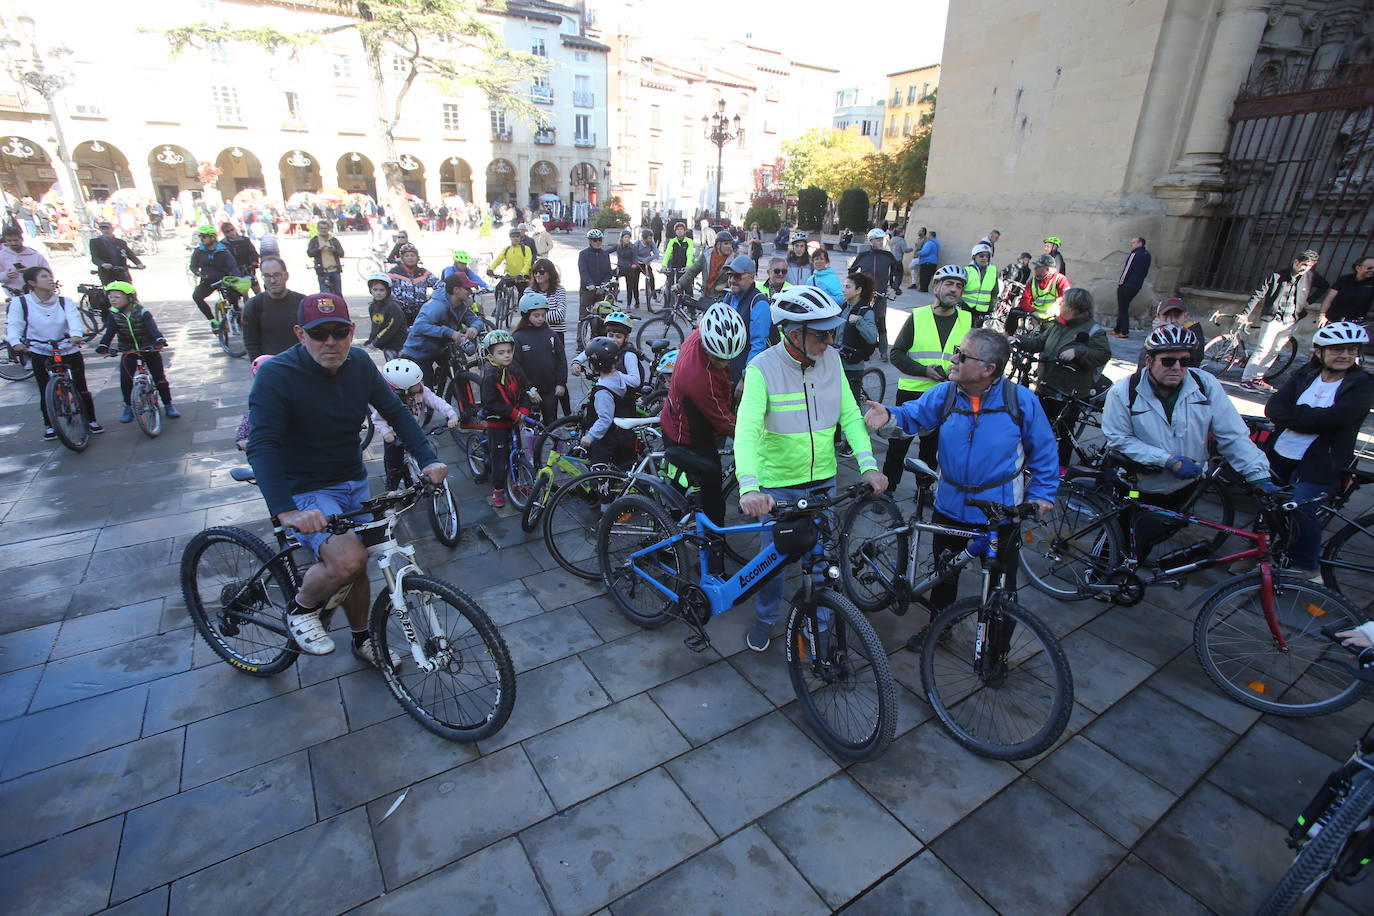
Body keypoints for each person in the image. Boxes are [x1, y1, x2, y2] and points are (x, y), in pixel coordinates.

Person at [246, 292, 447, 661]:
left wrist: (428, 459)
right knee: (348, 561)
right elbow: (261, 446)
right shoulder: (277, 375)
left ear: (352, 331)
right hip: (304, 488)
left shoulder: (358, 363)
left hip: (351, 480)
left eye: (339, 332)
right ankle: (302, 607)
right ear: (299, 334)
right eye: (318, 333)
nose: (330, 342)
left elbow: (398, 414)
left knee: (361, 560)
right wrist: (286, 511)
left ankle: (361, 640)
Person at [863, 327, 1057, 647]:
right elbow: (914, 415)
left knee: (1002, 589)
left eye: (962, 355)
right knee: (944, 575)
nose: (953, 359)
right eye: (956, 350)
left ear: (987, 369)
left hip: (1000, 512)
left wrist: (1043, 496)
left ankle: (997, 651)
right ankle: (940, 628)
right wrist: (889, 416)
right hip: (950, 505)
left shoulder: (1020, 402)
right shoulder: (947, 393)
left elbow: (1044, 453)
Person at [736, 285, 887, 651]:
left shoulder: (831, 360)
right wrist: (749, 486)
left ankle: (817, 622)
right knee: (772, 563)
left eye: (832, 332)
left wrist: (868, 466)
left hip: (822, 482)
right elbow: (747, 431)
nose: (831, 342)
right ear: (793, 333)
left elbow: (851, 417)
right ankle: (766, 617)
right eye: (822, 335)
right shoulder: (762, 370)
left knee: (821, 560)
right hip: (778, 487)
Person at [1103, 324, 1276, 561]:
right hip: (1138, 483)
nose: (1177, 368)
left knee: (1155, 534)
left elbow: (1232, 435)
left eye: (1184, 361)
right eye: (1168, 361)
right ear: (1149, 360)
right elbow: (1119, 439)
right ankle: (1097, 576)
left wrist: (1260, 476)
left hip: (1187, 484)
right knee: (1119, 537)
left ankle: (1129, 568)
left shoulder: (1205, 385)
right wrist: (1168, 460)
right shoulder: (1124, 391)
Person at [1264, 322, 1373, 577]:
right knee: (1268, 504)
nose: (1345, 355)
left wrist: (1295, 416)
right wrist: (1309, 418)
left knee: (1302, 507)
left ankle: (1306, 565)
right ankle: (1264, 553)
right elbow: (1274, 408)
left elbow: (1336, 418)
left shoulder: (1362, 384)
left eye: (1351, 350)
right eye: (1337, 350)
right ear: (1318, 352)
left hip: (1321, 460)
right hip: (1282, 451)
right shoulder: (1304, 375)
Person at [885, 265, 973, 488]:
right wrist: (923, 370)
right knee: (898, 446)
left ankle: (923, 490)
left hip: (945, 396)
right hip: (911, 393)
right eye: (949, 284)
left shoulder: (968, 320)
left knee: (930, 449)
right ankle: (888, 489)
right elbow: (895, 354)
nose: (954, 290)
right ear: (936, 287)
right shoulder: (918, 317)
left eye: (959, 286)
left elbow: (973, 358)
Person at [660, 304, 746, 530]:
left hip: (677, 416)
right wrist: (754, 434)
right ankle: (712, 545)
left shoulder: (700, 334)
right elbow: (725, 422)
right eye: (719, 358)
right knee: (712, 495)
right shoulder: (700, 379)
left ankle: (673, 521)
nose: (725, 364)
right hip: (687, 435)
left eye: (730, 358)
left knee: (679, 485)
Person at [1015, 287, 1110, 467]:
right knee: (1037, 425)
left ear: (1074, 308)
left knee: (1063, 429)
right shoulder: (1057, 325)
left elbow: (1102, 354)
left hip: (1069, 391)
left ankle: (1062, 466)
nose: (1060, 304)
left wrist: (1078, 351)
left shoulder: (1093, 331)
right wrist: (1016, 340)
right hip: (1047, 384)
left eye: (1063, 302)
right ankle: (1033, 460)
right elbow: (1038, 343)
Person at [6, 265, 103, 439]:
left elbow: (74, 322)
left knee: (80, 386)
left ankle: (90, 420)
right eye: (44, 277)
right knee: (45, 388)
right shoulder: (20, 303)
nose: (50, 279)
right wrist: (15, 342)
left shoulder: (64, 302)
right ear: (31, 282)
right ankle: (49, 424)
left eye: (50, 276)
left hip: (67, 347)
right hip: (40, 349)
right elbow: (14, 325)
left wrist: (75, 335)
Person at [1241, 250, 1329, 391]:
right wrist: (1245, 314)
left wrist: (1309, 301)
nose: (1305, 268)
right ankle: (1246, 380)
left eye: (1310, 266)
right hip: (1273, 319)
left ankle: (1258, 378)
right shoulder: (1277, 276)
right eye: (1304, 264)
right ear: (1296, 262)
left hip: (1291, 320)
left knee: (1275, 350)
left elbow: (1324, 286)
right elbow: (1258, 294)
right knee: (1262, 349)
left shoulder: (1309, 276)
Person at [94, 280, 178, 422]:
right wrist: (103, 345)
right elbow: (109, 333)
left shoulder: (142, 312)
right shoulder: (113, 314)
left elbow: (153, 329)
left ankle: (168, 405)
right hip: (128, 350)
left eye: (117, 296)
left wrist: (159, 340)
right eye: (110, 297)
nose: (113, 300)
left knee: (160, 379)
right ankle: (128, 406)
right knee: (125, 379)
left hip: (148, 348)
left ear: (130, 298)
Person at [374, 358, 459, 490]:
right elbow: (377, 419)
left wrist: (451, 414)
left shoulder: (422, 391)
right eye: (416, 383)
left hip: (414, 433)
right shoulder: (389, 401)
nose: (421, 383)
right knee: (394, 470)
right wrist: (386, 433)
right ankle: (390, 497)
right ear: (404, 389)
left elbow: (436, 401)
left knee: (424, 458)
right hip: (394, 437)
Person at [402, 272, 485, 390]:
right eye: (467, 288)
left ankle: (465, 405)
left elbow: (475, 320)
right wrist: (449, 332)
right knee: (426, 391)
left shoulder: (461, 305)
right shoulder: (437, 306)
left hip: (441, 348)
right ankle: (430, 405)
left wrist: (474, 327)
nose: (470, 291)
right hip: (419, 351)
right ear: (456, 290)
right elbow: (419, 327)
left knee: (459, 373)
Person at [578, 336, 639, 475]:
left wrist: (590, 436)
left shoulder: (603, 392)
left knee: (600, 476)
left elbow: (605, 419)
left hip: (604, 440)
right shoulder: (617, 376)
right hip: (617, 434)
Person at [511, 291, 567, 425]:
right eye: (536, 315)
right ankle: (534, 447)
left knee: (552, 423)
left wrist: (561, 383)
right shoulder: (518, 337)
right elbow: (516, 367)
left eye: (543, 315)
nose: (541, 318)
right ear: (526, 315)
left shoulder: (551, 334)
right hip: (529, 393)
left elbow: (561, 360)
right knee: (532, 426)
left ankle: (556, 446)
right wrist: (529, 389)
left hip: (550, 389)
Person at [848, 228, 904, 361]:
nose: (880, 242)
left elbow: (898, 272)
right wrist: (857, 284)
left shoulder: (888, 256)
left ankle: (883, 350)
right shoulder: (864, 256)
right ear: (871, 240)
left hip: (881, 295)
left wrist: (894, 288)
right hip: (865, 295)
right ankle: (864, 349)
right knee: (863, 322)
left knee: (881, 323)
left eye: (882, 240)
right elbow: (851, 271)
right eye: (877, 240)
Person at [719, 254, 772, 384]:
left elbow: (758, 345)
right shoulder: (729, 297)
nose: (732, 280)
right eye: (730, 275)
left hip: (743, 371)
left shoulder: (759, 303)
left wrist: (746, 378)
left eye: (737, 276)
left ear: (752, 277)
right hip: (726, 369)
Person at [241, 256, 305, 360]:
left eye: (277, 275)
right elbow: (251, 341)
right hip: (271, 367)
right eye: (267, 276)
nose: (272, 280)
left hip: (301, 365)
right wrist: (258, 367)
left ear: (286, 276)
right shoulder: (254, 305)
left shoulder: (302, 302)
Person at [837, 272, 879, 414]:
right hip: (837, 362)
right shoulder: (843, 308)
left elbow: (873, 337)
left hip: (852, 366)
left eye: (848, 287)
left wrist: (859, 321)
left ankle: (854, 435)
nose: (844, 290)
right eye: (844, 286)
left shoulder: (865, 312)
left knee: (851, 407)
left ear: (858, 290)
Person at [189, 224, 242, 328]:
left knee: (233, 298)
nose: (201, 239)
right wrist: (198, 273)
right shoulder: (199, 251)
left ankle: (238, 317)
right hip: (208, 281)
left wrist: (237, 278)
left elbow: (233, 266)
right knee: (196, 296)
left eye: (204, 237)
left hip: (223, 279)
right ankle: (212, 320)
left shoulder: (224, 250)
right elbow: (193, 266)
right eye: (200, 237)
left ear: (213, 237)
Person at [1136, 298, 1205, 369]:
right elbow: (1143, 365)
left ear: (1186, 316)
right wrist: (1157, 333)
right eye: (1166, 316)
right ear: (1158, 317)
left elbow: (1195, 360)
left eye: (1177, 316)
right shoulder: (1157, 333)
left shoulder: (1193, 332)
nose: (1172, 320)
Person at [387, 243, 440, 324]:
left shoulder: (424, 273)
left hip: (421, 313)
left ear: (418, 258)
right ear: (401, 258)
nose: (410, 258)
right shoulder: (393, 274)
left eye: (413, 255)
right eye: (407, 256)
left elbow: (441, 286)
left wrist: (431, 301)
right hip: (399, 314)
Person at [678, 231, 737, 303]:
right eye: (726, 243)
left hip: (722, 299)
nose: (729, 246)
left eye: (730, 244)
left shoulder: (733, 260)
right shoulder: (706, 256)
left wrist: (726, 285)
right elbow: (693, 271)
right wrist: (679, 284)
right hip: (706, 296)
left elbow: (738, 279)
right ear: (718, 245)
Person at [1318, 254, 1374, 327]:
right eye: (1370, 268)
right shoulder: (1344, 279)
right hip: (1333, 319)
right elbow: (1329, 298)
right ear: (1358, 268)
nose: (1372, 270)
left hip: (1357, 323)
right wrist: (1322, 315)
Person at [363, 271, 408, 360]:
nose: (378, 293)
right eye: (375, 290)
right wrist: (371, 340)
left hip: (398, 345)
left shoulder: (393, 306)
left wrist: (376, 342)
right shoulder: (372, 306)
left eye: (382, 290)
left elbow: (390, 328)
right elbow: (375, 326)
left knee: (395, 368)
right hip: (386, 345)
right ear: (370, 290)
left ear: (387, 290)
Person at [1114, 237, 1152, 338]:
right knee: (1123, 307)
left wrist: (1120, 283)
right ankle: (1117, 329)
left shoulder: (1134, 254)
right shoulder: (1147, 255)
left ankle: (1124, 331)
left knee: (1123, 309)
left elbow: (1127, 270)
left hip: (1126, 286)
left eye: (1133, 243)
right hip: (1136, 286)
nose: (1131, 245)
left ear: (1140, 243)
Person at [88, 220, 144, 286]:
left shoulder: (121, 242)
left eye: (107, 228)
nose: (105, 231)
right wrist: (103, 264)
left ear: (112, 229)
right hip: (106, 272)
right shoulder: (95, 242)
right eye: (102, 229)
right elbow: (94, 257)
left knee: (128, 289)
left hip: (121, 270)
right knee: (109, 291)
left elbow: (130, 255)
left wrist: (138, 263)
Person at [1, 226, 50, 299]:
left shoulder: (36, 256)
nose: (13, 243)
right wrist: (6, 275)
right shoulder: (2, 255)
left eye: (15, 240)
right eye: (9, 241)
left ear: (21, 239)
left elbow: (48, 274)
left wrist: (30, 272)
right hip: (13, 293)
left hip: (35, 292)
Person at [1020, 254, 1072, 323]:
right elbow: (1024, 300)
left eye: (1038, 266)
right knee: (1014, 312)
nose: (1035, 268)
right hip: (1034, 317)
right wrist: (1032, 312)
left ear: (1047, 269)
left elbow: (1069, 299)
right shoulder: (1032, 281)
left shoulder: (1060, 280)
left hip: (1053, 319)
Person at [488, 227, 534, 300]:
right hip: (510, 276)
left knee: (523, 298)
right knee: (498, 289)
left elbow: (527, 263)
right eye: (513, 237)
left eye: (517, 236)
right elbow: (498, 259)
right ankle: (498, 309)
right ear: (510, 238)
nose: (515, 238)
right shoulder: (507, 249)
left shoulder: (526, 249)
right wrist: (491, 269)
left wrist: (521, 274)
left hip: (522, 278)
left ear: (520, 238)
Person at [577, 228, 614, 317]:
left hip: (601, 289)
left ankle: (597, 330)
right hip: (588, 289)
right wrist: (590, 284)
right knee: (584, 315)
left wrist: (604, 284)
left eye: (600, 240)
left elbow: (609, 272)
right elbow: (583, 271)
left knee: (601, 316)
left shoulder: (605, 254)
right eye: (595, 240)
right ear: (590, 241)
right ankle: (582, 329)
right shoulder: (583, 254)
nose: (598, 242)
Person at [963, 244, 1000, 325]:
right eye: (981, 256)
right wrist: (958, 303)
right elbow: (959, 289)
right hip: (965, 307)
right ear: (974, 257)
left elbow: (995, 291)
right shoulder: (967, 270)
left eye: (987, 256)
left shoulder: (993, 270)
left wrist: (991, 308)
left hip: (982, 310)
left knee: (976, 335)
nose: (984, 258)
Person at [221, 221, 262, 295]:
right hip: (234, 271)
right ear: (224, 233)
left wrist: (254, 262)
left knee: (258, 291)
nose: (231, 232)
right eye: (228, 231)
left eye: (232, 229)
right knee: (243, 293)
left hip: (248, 268)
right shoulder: (223, 244)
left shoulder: (244, 240)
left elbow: (253, 252)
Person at [305, 220, 345, 295]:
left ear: (328, 229)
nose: (323, 230)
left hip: (335, 270)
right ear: (318, 229)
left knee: (338, 293)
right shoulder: (314, 240)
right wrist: (319, 249)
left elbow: (342, 254)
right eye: (321, 228)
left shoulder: (333, 240)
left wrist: (334, 250)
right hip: (322, 272)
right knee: (325, 294)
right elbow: (309, 253)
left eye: (325, 228)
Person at [613, 230, 641, 308]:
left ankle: (629, 305)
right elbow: (607, 251)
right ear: (622, 238)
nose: (627, 239)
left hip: (629, 269)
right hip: (620, 268)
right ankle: (613, 299)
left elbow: (635, 258)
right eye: (625, 237)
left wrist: (634, 265)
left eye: (628, 237)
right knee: (611, 280)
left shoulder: (633, 247)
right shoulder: (618, 246)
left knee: (630, 288)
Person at [635, 227, 659, 304]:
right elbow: (634, 255)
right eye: (649, 238)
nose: (650, 240)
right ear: (644, 239)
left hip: (646, 264)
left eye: (651, 238)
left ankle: (653, 293)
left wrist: (648, 259)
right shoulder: (637, 244)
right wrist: (642, 260)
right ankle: (636, 300)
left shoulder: (651, 243)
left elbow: (656, 254)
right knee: (635, 282)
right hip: (637, 264)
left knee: (651, 278)